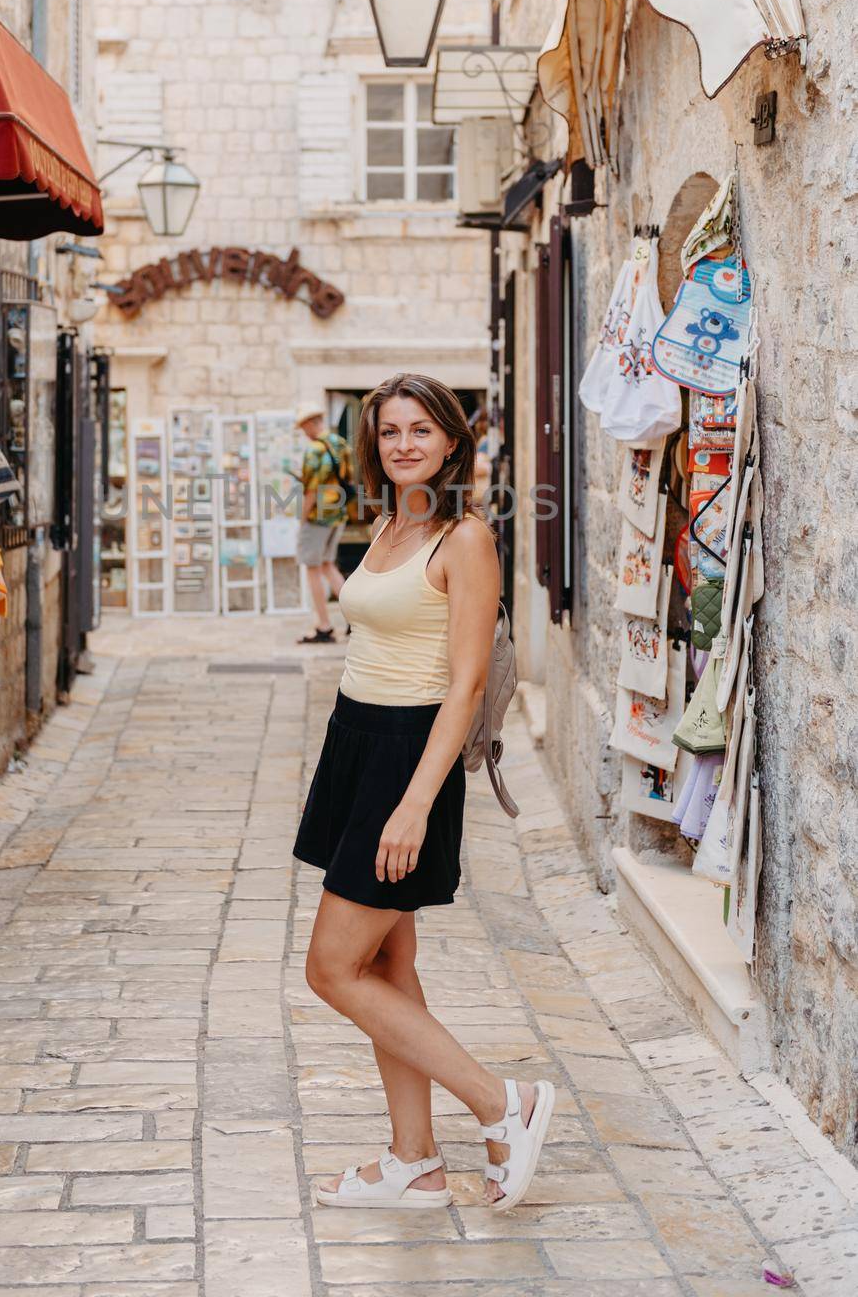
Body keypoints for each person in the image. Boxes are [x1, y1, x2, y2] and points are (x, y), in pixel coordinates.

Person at [293, 372, 554, 1210]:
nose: (404, 444)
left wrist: (413, 801)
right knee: (387, 962)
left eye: (421, 430)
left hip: (410, 756)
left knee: (332, 969)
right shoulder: (390, 522)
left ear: (452, 440)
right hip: (356, 743)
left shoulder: (465, 539)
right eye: (390, 431)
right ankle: (415, 1162)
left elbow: (467, 685)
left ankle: (500, 1103)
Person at [294, 404, 353, 645]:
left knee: (313, 568)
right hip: (337, 513)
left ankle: (324, 626)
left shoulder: (314, 450)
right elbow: (347, 477)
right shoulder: (340, 444)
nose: (304, 433)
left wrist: (302, 517)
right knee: (328, 565)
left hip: (318, 515)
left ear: (310, 424)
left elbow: (311, 489)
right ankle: (356, 617)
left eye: (303, 428)